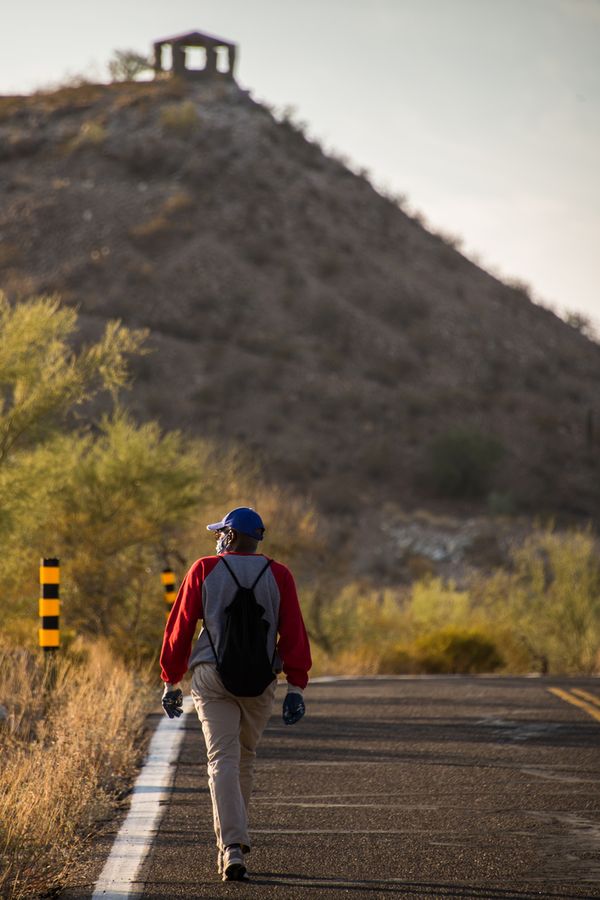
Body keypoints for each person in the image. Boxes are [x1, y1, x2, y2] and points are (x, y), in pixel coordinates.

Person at [160, 506, 312, 882]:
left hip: (212, 677)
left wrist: (171, 680)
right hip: (261, 679)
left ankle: (231, 846)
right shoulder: (279, 574)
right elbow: (293, 632)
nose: (216, 539)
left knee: (222, 759)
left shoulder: (204, 569)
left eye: (219, 533)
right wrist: (296, 685)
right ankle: (235, 841)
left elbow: (179, 629)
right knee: (244, 757)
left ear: (229, 536)